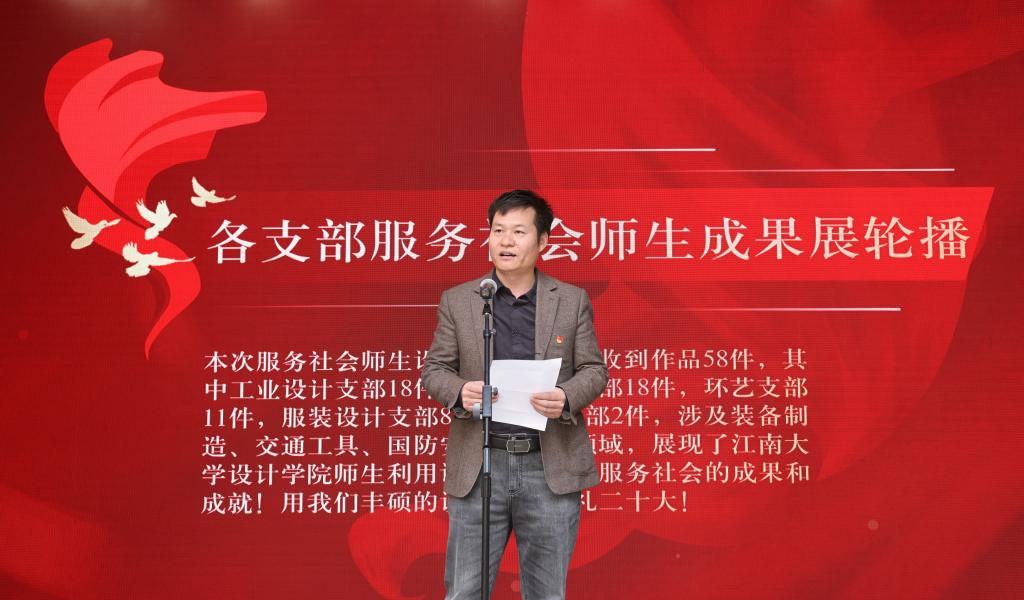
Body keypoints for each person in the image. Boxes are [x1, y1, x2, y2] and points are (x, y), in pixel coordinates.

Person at [420, 189, 609, 600]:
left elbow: (594, 370)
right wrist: (460, 391)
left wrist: (566, 396)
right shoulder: (460, 301)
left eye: (519, 232)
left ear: (543, 241)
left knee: (546, 593)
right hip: (480, 462)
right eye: (498, 230)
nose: (505, 241)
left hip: (548, 465)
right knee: (465, 591)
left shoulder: (570, 300)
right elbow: (434, 370)